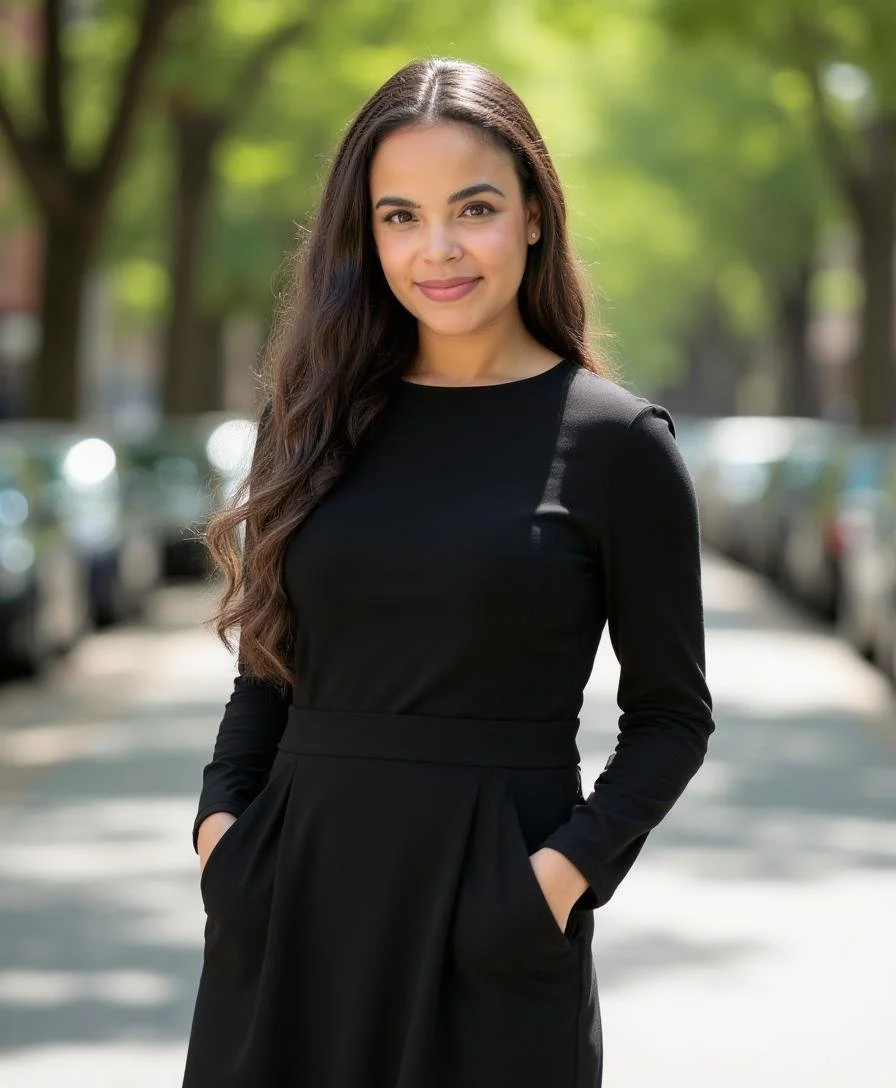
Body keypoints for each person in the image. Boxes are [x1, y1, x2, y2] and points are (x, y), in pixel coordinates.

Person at [180, 56, 714, 1088]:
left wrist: (552, 883)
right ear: (364, 233)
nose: (436, 249)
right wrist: (222, 840)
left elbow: (669, 719)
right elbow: (266, 674)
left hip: (491, 930)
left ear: (531, 217)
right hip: (287, 905)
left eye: (471, 207)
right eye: (398, 215)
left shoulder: (616, 444)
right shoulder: (306, 424)